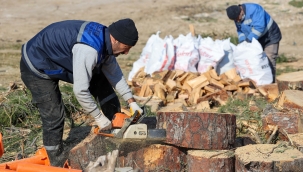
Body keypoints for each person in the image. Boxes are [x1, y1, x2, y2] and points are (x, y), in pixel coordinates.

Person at [19, 18, 143, 166]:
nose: (127, 52)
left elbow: (115, 76)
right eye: (126, 47)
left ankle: (116, 128)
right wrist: (98, 118)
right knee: (54, 113)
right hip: (36, 64)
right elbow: (80, 91)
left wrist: (131, 102)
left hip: (59, 58)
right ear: (115, 39)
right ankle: (57, 161)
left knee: (101, 81)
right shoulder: (89, 50)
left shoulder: (106, 43)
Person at [226, 3, 282, 82]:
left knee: (269, 59)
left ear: (241, 11)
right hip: (256, 38)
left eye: (237, 18)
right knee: (256, 60)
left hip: (270, 35)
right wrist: (242, 42)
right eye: (235, 20)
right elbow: (240, 30)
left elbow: (259, 27)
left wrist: (248, 40)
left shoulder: (254, 9)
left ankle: (271, 84)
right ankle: (258, 83)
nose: (237, 21)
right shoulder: (237, 17)